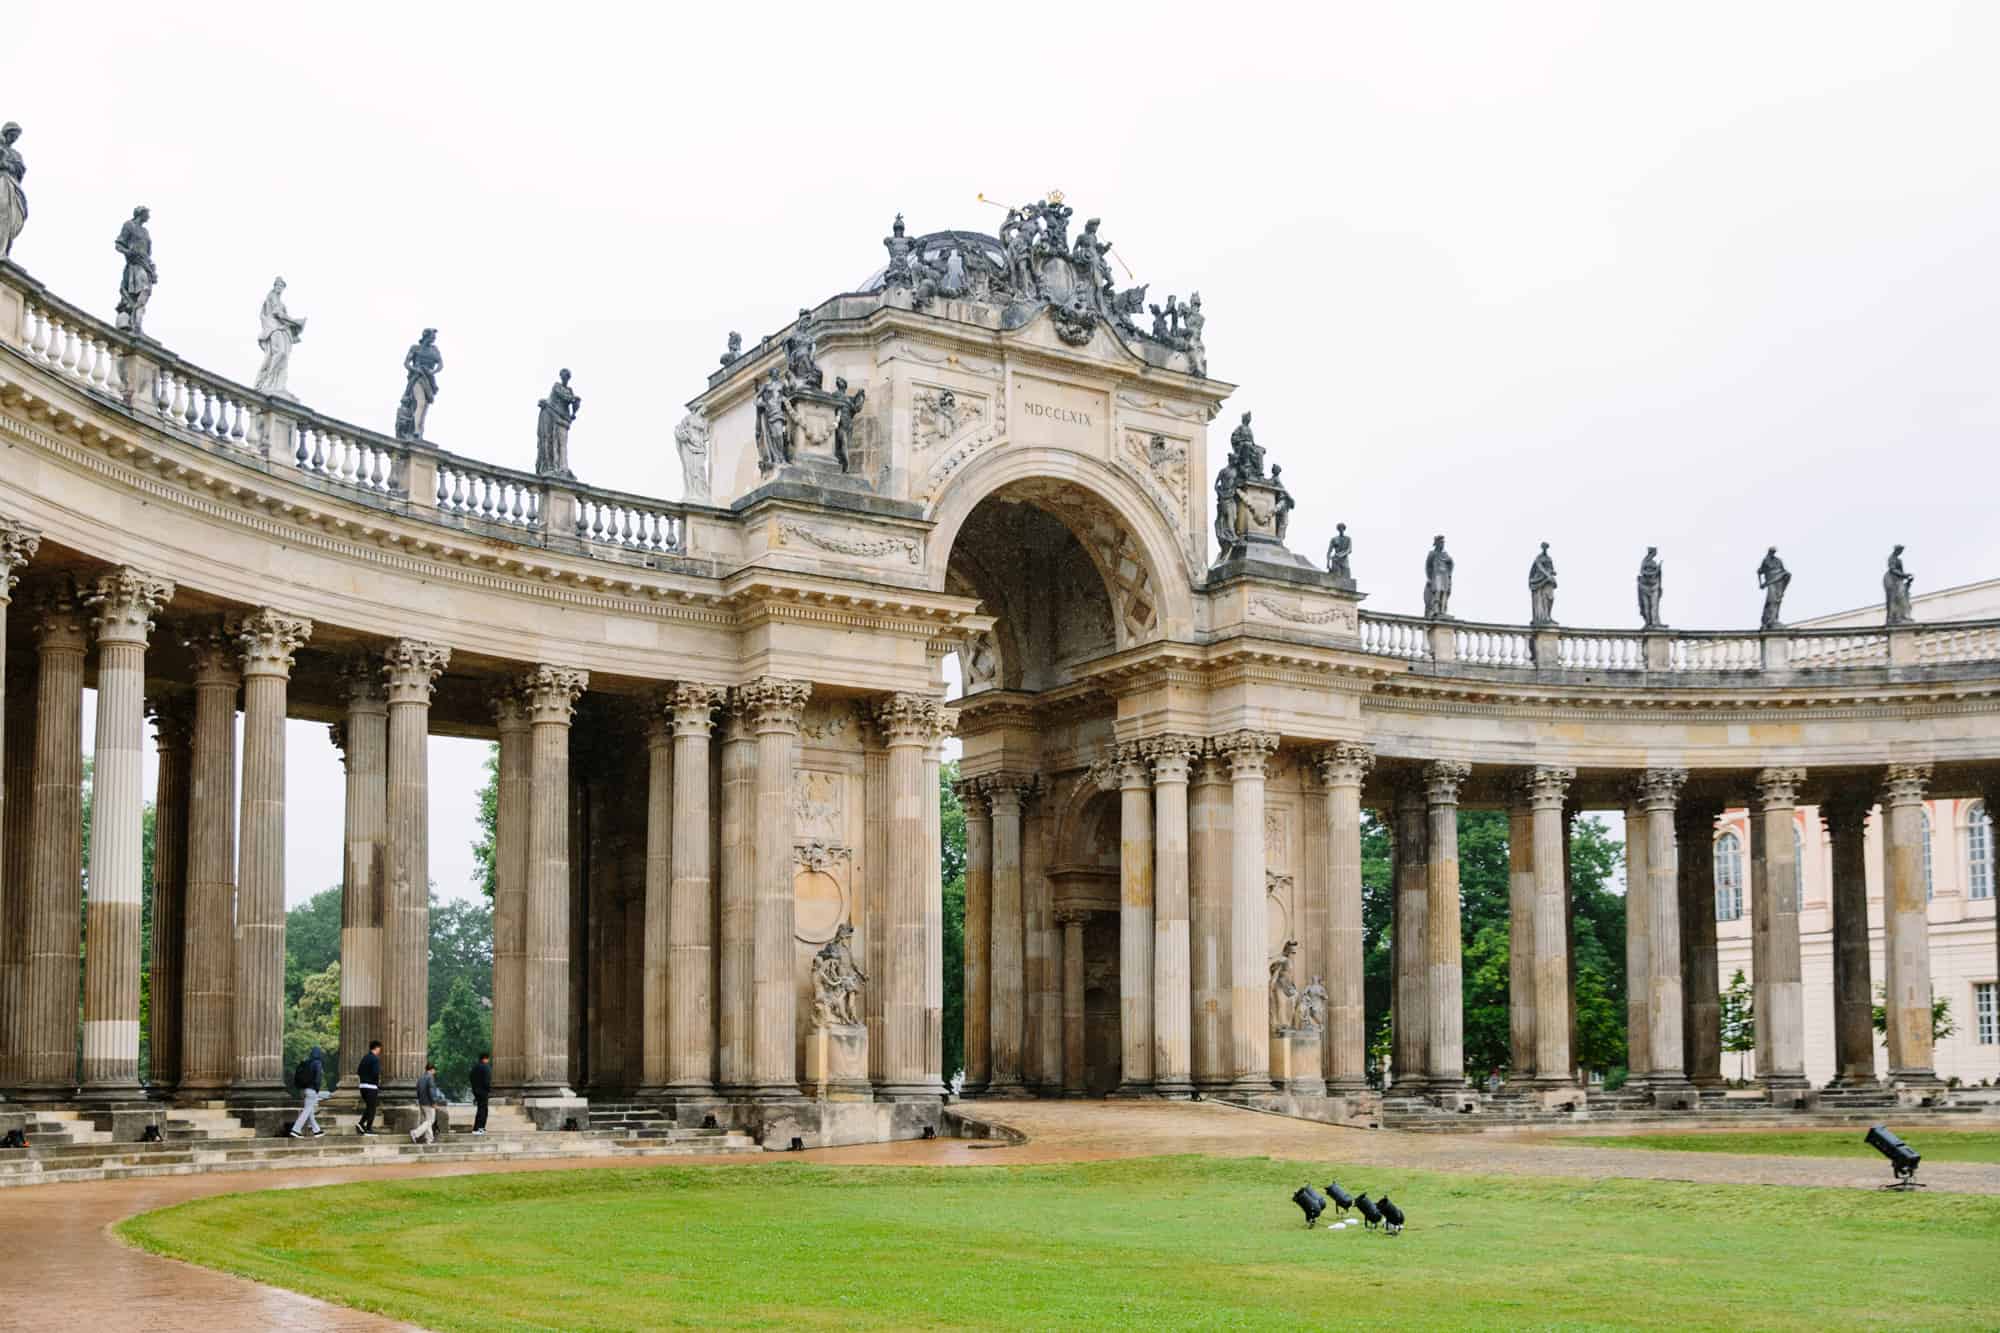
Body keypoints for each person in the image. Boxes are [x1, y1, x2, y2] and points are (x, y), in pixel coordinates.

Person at [286, 1045, 329, 1139]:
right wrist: (317, 1089)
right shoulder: (317, 1063)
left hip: (305, 1089)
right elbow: (317, 1078)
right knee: (307, 1111)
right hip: (312, 1089)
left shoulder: (307, 1062)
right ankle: (295, 1130)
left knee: (309, 1111)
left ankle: (317, 1131)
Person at [355, 1039, 383, 1135]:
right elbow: (376, 1073)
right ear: (377, 1048)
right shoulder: (375, 1059)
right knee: (372, 1108)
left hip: (362, 1086)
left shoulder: (365, 1058)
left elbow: (358, 1071)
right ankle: (368, 1128)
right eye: (380, 1049)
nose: (380, 1051)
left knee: (369, 1107)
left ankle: (361, 1123)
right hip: (371, 1087)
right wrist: (377, 1081)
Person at [411, 1061, 442, 1144]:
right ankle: (415, 1133)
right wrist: (434, 1102)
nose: (435, 1072)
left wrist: (420, 1100)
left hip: (422, 1102)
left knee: (427, 1120)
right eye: (435, 1070)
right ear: (431, 1070)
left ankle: (429, 1139)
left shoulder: (420, 1078)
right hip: (429, 1103)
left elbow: (418, 1090)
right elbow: (431, 1090)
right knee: (430, 1120)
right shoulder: (430, 1077)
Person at [470, 1052, 493, 1135]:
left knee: (480, 1109)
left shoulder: (474, 1067)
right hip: (483, 1091)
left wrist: (474, 1089)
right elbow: (487, 1081)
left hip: (476, 1091)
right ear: (486, 1059)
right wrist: (489, 1089)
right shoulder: (486, 1067)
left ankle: (477, 1128)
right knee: (483, 1110)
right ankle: (480, 1128)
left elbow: (471, 1078)